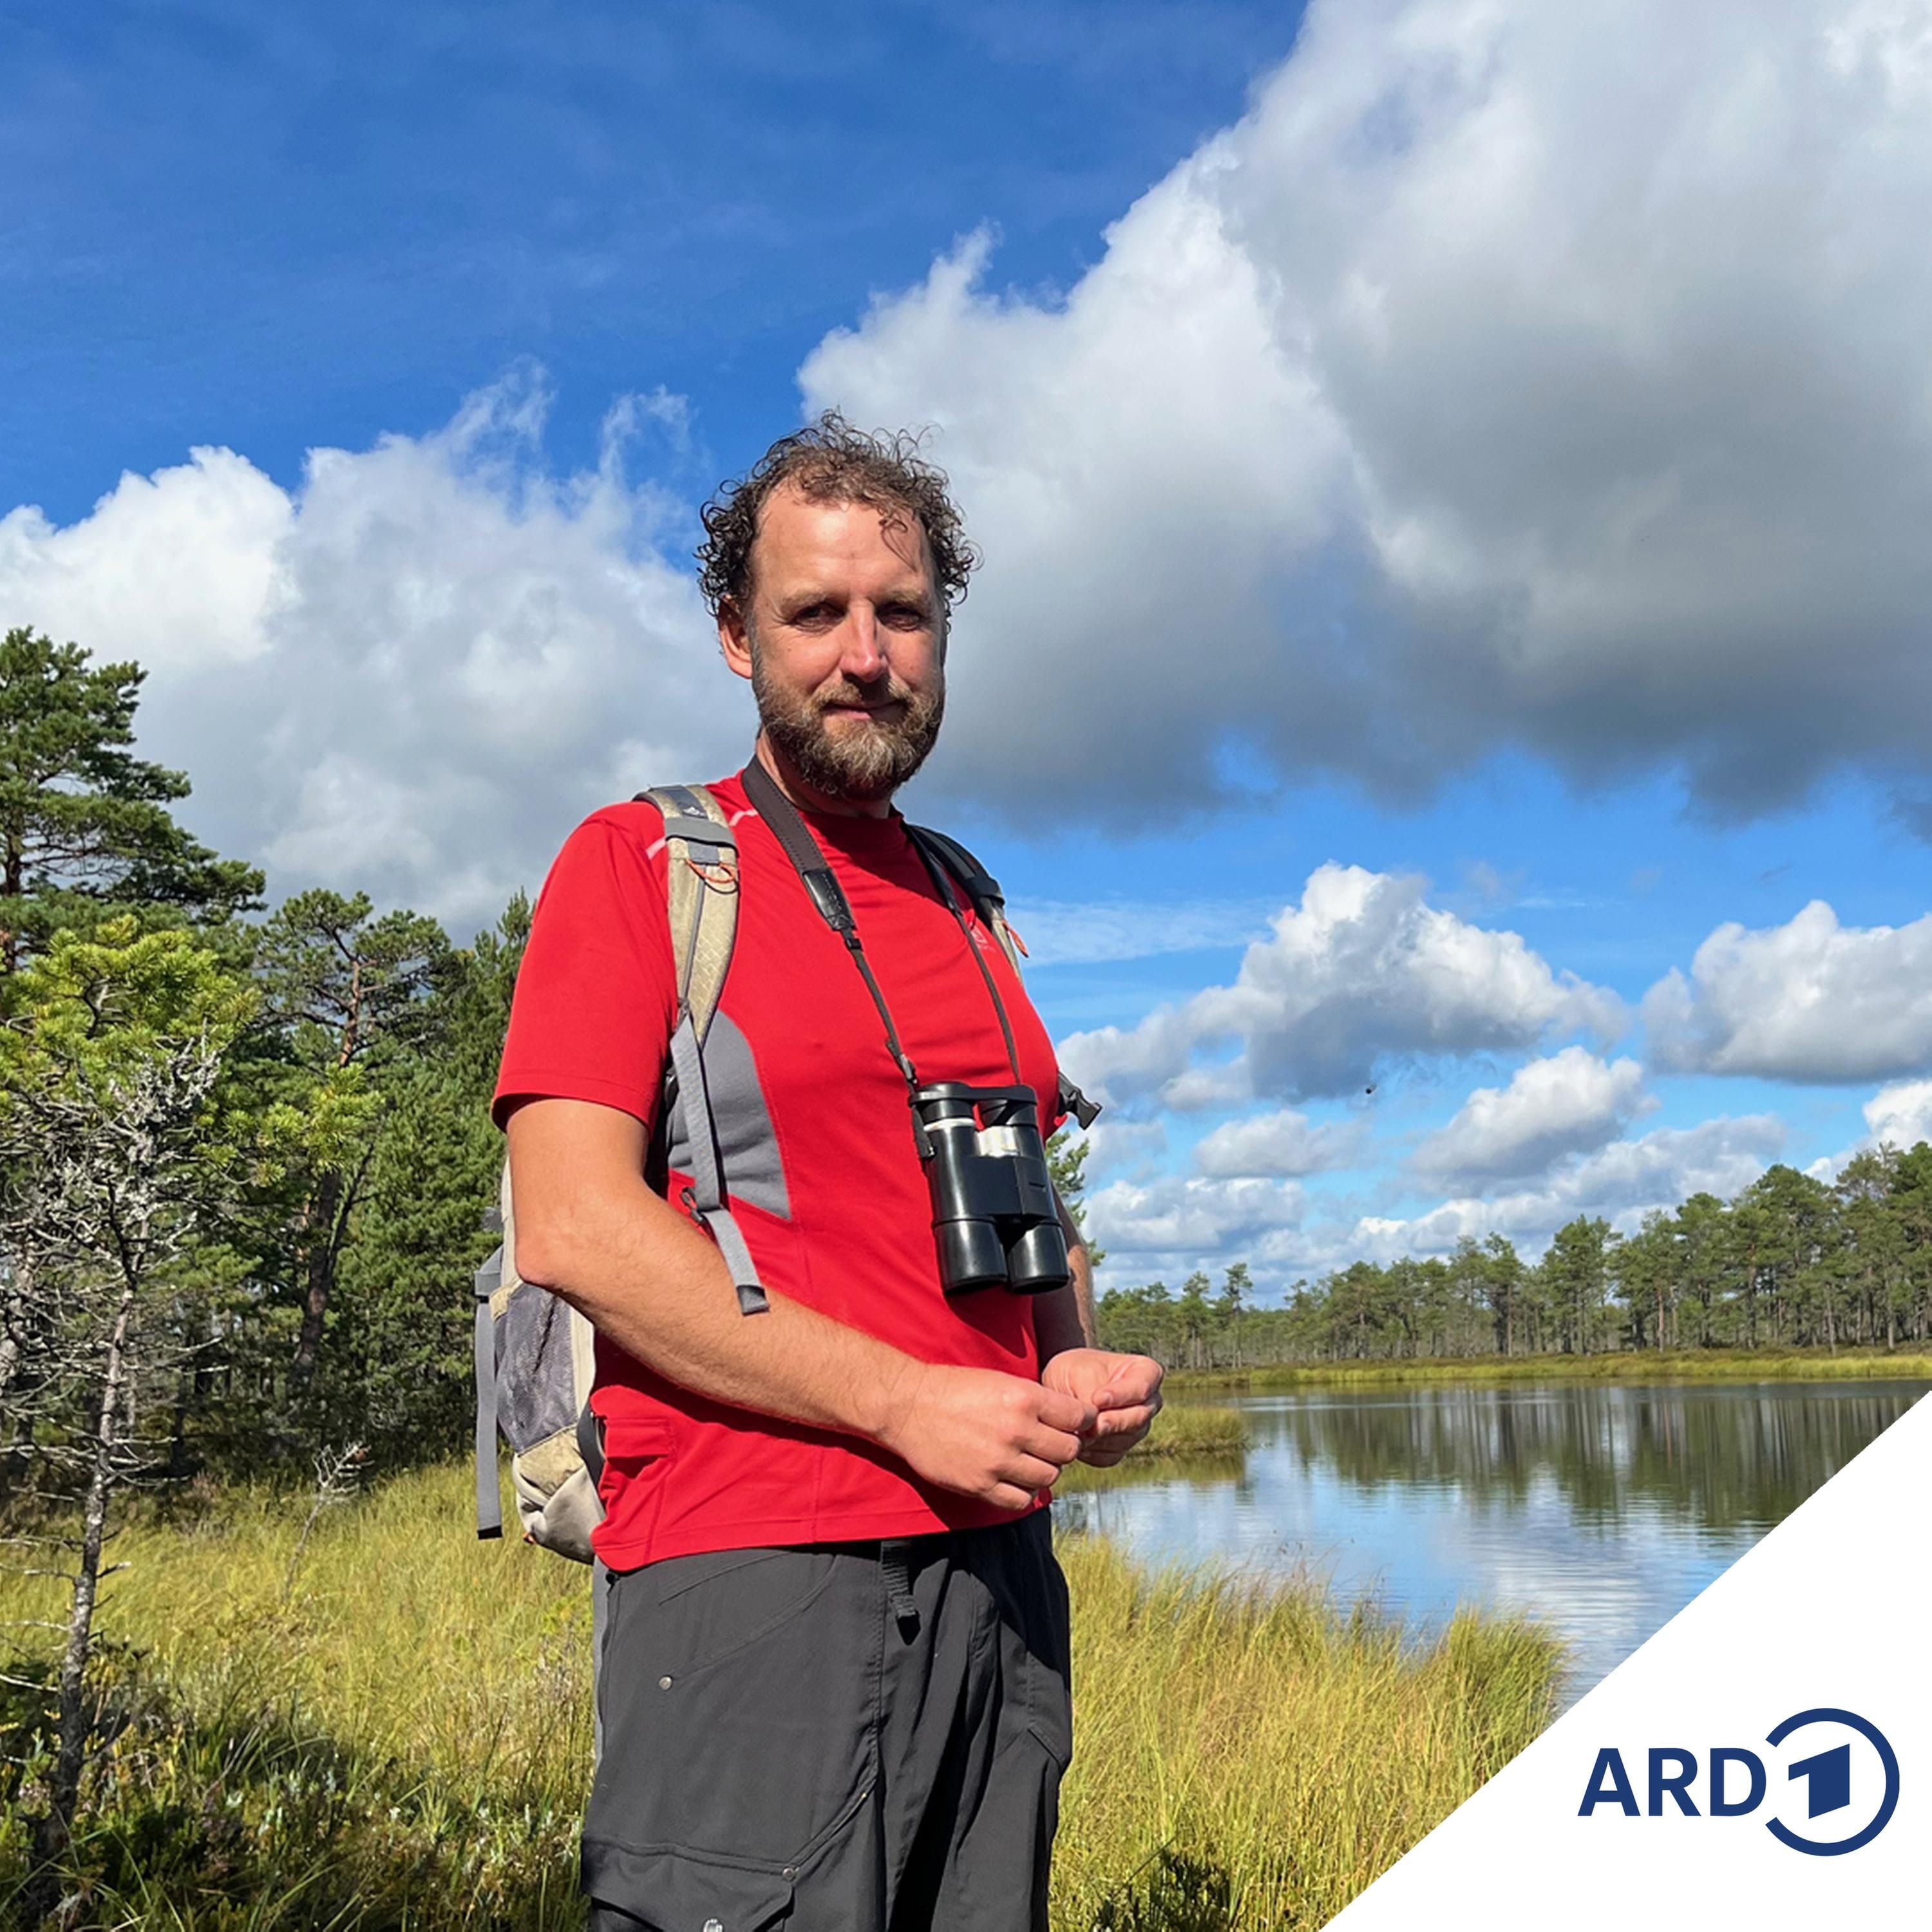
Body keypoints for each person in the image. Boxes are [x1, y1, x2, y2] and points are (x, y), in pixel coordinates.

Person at [494, 413, 1164, 1932]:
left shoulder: (966, 900)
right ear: (737, 637)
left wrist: (1077, 1368)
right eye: (816, 614)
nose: (865, 654)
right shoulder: (643, 864)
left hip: (1001, 1574)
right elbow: (576, 1227)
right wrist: (903, 1400)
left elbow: (1019, 1200)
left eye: (903, 613)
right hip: (754, 1572)